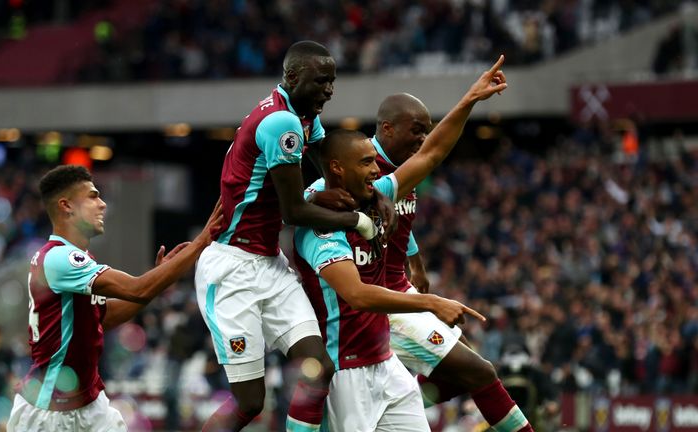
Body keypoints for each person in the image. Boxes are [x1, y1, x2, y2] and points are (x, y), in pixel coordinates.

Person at [309, 59, 534, 432]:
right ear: (386, 128)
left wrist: (416, 263)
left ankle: (408, 398)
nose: (421, 140)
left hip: (397, 288)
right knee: (477, 371)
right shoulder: (353, 178)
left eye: (424, 132)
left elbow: (403, 206)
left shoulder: (393, 176)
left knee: (468, 373)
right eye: (415, 131)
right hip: (369, 308)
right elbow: (304, 217)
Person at [195, 40, 395, 432]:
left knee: (319, 371)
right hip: (232, 269)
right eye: (321, 80)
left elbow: (330, 168)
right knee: (251, 403)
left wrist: (373, 194)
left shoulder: (303, 117)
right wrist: (361, 221)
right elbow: (294, 211)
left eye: (332, 81)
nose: (329, 90)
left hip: (270, 264)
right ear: (293, 76)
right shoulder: (281, 122)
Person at [7, 165, 222, 431]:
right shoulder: (60, 258)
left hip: (89, 406)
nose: (102, 204)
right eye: (93, 196)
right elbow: (137, 289)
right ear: (66, 206)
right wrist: (202, 241)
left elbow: (105, 317)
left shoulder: (71, 260)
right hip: (50, 412)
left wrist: (159, 278)